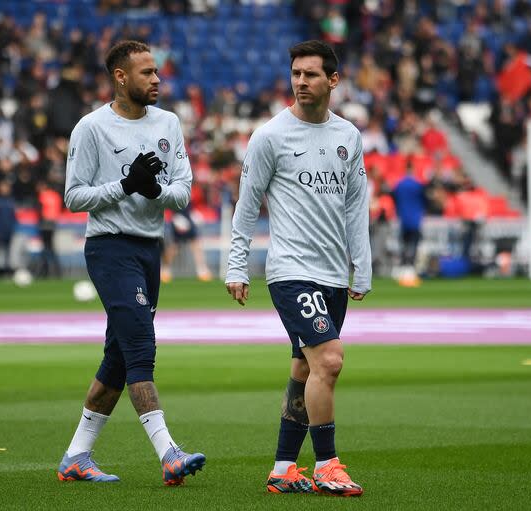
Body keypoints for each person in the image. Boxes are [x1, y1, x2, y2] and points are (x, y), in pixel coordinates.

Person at [225, 40, 370, 497]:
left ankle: (283, 467)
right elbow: (248, 205)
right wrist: (236, 265)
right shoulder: (270, 136)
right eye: (296, 74)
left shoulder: (348, 137)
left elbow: (355, 206)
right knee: (330, 359)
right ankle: (327, 465)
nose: (301, 81)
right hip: (290, 270)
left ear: (333, 80)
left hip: (331, 275)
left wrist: (360, 267)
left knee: (305, 371)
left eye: (310, 74)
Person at [60, 40, 205, 485]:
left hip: (148, 248)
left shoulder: (168, 123)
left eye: (157, 72)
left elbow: (183, 190)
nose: (157, 80)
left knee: (118, 358)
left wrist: (153, 190)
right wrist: (124, 185)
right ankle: (169, 453)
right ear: (120, 77)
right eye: (146, 73)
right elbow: (73, 197)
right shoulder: (91, 128)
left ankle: (75, 457)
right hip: (109, 248)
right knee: (141, 347)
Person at [392, 161, 426, 286]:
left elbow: (394, 198)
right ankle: (410, 269)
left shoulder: (399, 185)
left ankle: (402, 268)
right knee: (414, 245)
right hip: (415, 219)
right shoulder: (418, 185)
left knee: (404, 244)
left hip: (403, 218)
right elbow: (425, 200)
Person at [160, 205, 213, 283]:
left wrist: (193, 214)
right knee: (174, 247)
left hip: (188, 218)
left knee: (195, 245)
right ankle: (165, 270)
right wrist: (176, 218)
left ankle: (202, 270)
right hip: (178, 218)